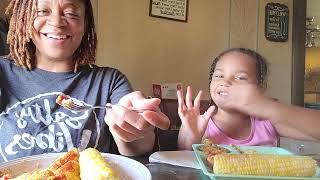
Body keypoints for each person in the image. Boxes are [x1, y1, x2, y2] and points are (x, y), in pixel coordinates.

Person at [0, 0, 170, 163]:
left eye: (71, 13)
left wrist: (138, 130)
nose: (57, 22)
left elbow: (134, 149)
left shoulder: (109, 81)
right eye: (42, 11)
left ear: (86, 23)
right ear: (23, 19)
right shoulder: (3, 72)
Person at [177, 48, 316, 150]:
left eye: (240, 78)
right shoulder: (198, 124)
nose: (226, 82)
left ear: (260, 86)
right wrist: (192, 138)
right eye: (219, 76)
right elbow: (181, 165)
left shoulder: (267, 124)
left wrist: (269, 107)